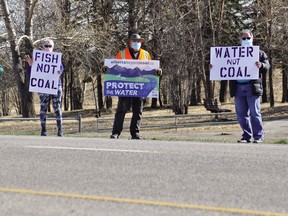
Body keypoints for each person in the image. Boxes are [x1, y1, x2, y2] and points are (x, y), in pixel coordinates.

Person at [104, 33, 161, 140]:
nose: (137, 43)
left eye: (138, 42)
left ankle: (135, 133)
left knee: (138, 111)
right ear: (130, 42)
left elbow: (150, 68)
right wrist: (107, 69)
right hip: (125, 87)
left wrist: (157, 71)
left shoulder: (145, 54)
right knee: (121, 110)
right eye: (134, 41)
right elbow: (114, 67)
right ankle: (116, 132)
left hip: (139, 87)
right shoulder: (122, 54)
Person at [229, 29, 270, 143]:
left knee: (254, 113)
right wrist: (214, 67)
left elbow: (267, 66)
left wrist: (261, 65)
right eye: (244, 38)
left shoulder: (259, 53)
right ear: (240, 39)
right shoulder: (233, 53)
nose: (246, 40)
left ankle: (258, 136)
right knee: (241, 115)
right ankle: (246, 136)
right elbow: (223, 66)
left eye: (248, 38)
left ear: (252, 38)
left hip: (252, 87)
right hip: (238, 87)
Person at [24, 39, 64, 137]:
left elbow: (61, 69)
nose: (48, 48)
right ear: (43, 47)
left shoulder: (56, 58)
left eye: (50, 46)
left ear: (53, 47)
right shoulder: (38, 58)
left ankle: (60, 130)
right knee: (43, 108)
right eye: (46, 46)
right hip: (43, 87)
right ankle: (43, 130)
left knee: (57, 107)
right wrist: (30, 64)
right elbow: (32, 72)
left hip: (55, 85)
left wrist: (59, 71)